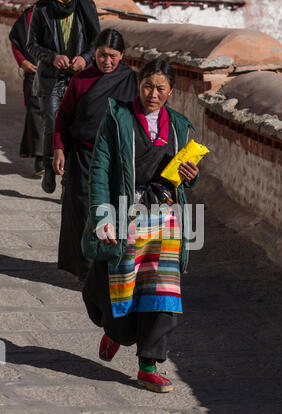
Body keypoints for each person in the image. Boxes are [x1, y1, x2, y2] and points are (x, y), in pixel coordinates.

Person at [82, 59, 200, 393]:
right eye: (148, 86)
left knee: (162, 291)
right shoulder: (117, 120)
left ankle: (149, 364)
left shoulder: (177, 125)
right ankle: (115, 332)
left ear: (171, 91)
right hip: (125, 213)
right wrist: (102, 216)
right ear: (139, 85)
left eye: (161, 88)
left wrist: (191, 176)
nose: (153, 94)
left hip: (165, 217)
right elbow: (100, 170)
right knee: (116, 285)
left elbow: (184, 178)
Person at [52, 29, 138, 280]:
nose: (107, 62)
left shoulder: (131, 81)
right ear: (94, 52)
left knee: (112, 211)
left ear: (122, 55)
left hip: (116, 159)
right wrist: (58, 148)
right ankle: (85, 269)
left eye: (113, 56)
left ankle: (110, 266)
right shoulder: (80, 80)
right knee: (82, 210)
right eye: (102, 55)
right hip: (83, 156)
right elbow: (63, 117)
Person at [27, 0, 100, 194]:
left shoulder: (85, 6)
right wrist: (52, 58)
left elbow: (97, 42)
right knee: (52, 125)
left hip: (78, 79)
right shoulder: (42, 8)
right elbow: (31, 44)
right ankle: (50, 165)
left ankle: (68, 178)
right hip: (51, 79)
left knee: (74, 129)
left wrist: (85, 58)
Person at [9, 3, 44, 176]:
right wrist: (22, 62)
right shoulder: (30, 14)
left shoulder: (70, 15)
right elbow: (16, 41)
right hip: (34, 72)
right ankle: (41, 156)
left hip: (61, 72)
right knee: (36, 112)